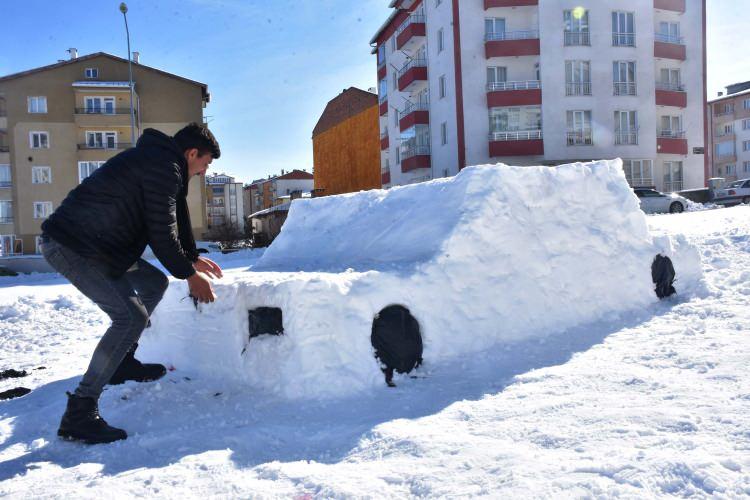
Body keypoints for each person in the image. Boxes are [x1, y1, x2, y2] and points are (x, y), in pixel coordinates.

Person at [40, 123, 223, 444]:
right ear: (192, 153)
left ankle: (121, 363)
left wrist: (191, 258)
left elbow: (175, 216)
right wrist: (190, 276)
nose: (204, 171)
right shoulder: (162, 167)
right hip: (73, 246)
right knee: (128, 317)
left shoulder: (163, 163)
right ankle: (80, 411)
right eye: (205, 163)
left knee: (154, 283)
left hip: (101, 247)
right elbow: (161, 234)